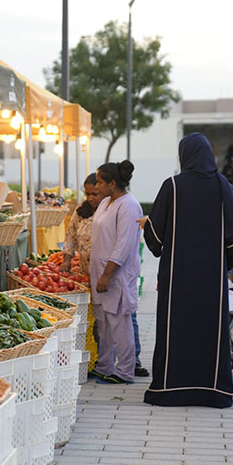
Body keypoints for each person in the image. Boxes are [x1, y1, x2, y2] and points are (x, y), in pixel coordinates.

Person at [139, 133, 233, 408]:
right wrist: (226, 265)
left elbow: (157, 239)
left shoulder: (173, 186)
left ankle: (170, 389)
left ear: (184, 156)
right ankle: (213, 391)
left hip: (178, 276)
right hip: (211, 277)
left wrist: (147, 225)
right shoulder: (223, 186)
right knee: (210, 329)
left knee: (176, 328)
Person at [89, 161, 143, 384]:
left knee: (120, 322)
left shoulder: (129, 205)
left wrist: (107, 274)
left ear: (112, 184)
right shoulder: (105, 203)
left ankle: (125, 370)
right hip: (99, 271)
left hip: (116, 274)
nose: (96, 186)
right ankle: (105, 365)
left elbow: (124, 245)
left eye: (100, 182)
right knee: (103, 322)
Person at [61, 173, 100, 276]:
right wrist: (67, 261)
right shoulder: (81, 210)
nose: (90, 198)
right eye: (88, 194)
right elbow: (70, 236)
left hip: (103, 272)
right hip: (84, 271)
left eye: (95, 194)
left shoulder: (109, 210)